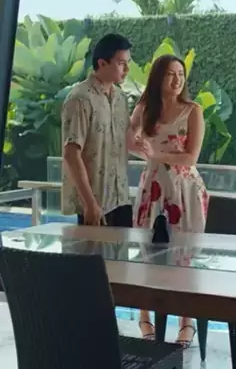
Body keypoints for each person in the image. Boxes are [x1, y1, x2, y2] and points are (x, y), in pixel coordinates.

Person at [127, 54, 209, 348]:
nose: (177, 80)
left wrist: (155, 155)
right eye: (171, 74)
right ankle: (144, 317)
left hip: (185, 188)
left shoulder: (193, 111)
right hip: (152, 186)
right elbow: (128, 141)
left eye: (181, 74)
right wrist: (145, 153)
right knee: (146, 250)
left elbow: (191, 157)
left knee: (185, 255)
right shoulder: (144, 108)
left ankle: (187, 322)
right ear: (158, 77)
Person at [62, 33, 134, 227]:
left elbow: (128, 140)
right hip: (95, 204)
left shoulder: (121, 98)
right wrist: (90, 204)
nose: (127, 69)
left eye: (128, 63)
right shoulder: (80, 98)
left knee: (125, 248)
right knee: (94, 249)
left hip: (121, 199)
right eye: (121, 63)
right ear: (102, 63)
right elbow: (71, 153)